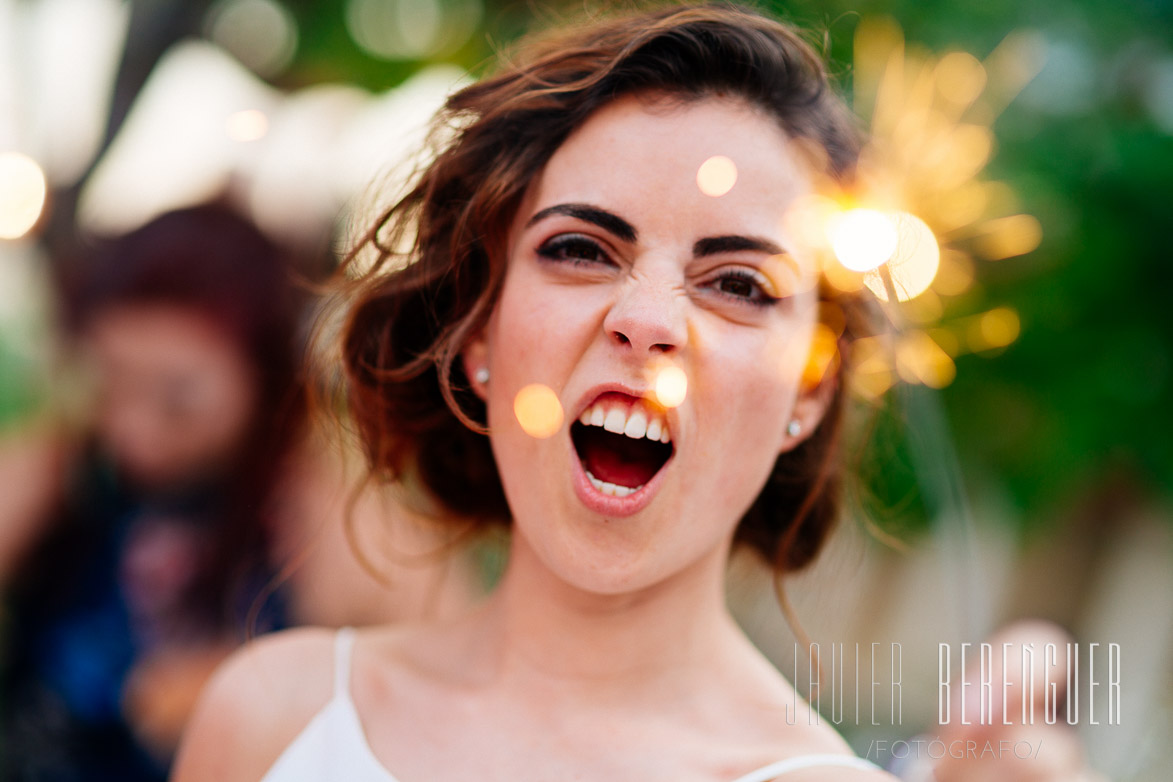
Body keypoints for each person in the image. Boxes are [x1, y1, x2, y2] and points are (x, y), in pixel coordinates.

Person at [172, 5, 896, 780]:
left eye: (738, 285)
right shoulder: (274, 719)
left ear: (810, 392)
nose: (647, 321)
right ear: (478, 331)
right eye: (581, 248)